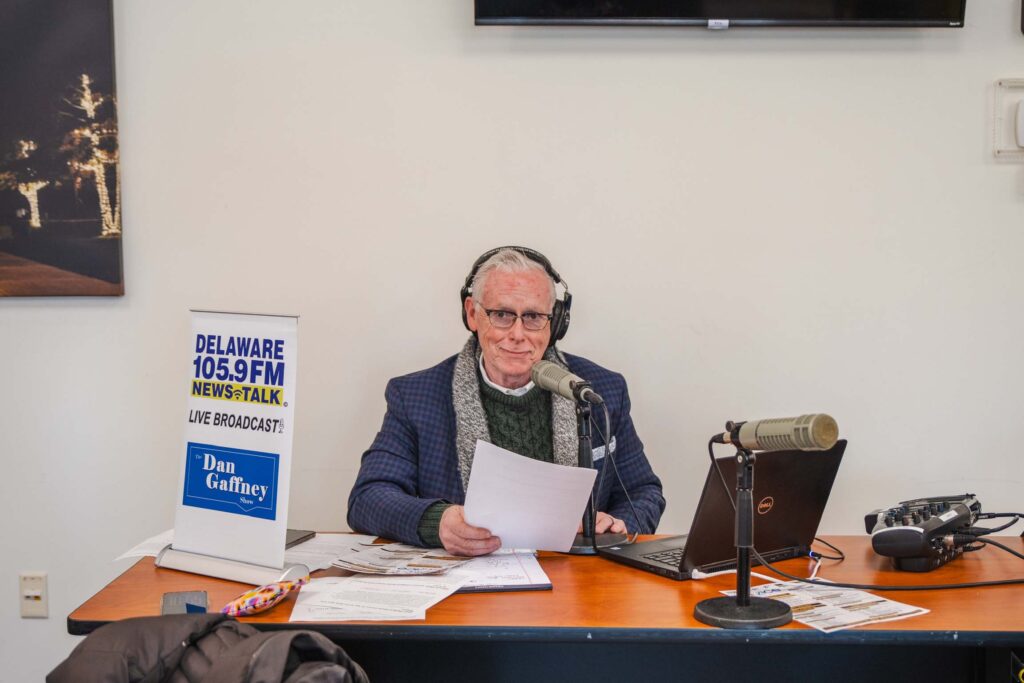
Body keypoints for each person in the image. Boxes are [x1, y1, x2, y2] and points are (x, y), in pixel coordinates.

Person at [347, 247, 665, 556]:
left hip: (580, 585)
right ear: (472, 314)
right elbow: (368, 498)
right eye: (501, 315)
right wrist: (438, 522)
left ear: (555, 322)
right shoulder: (416, 395)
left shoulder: (598, 391)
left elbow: (643, 492)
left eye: (533, 317)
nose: (517, 333)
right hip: (466, 590)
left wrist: (618, 525)